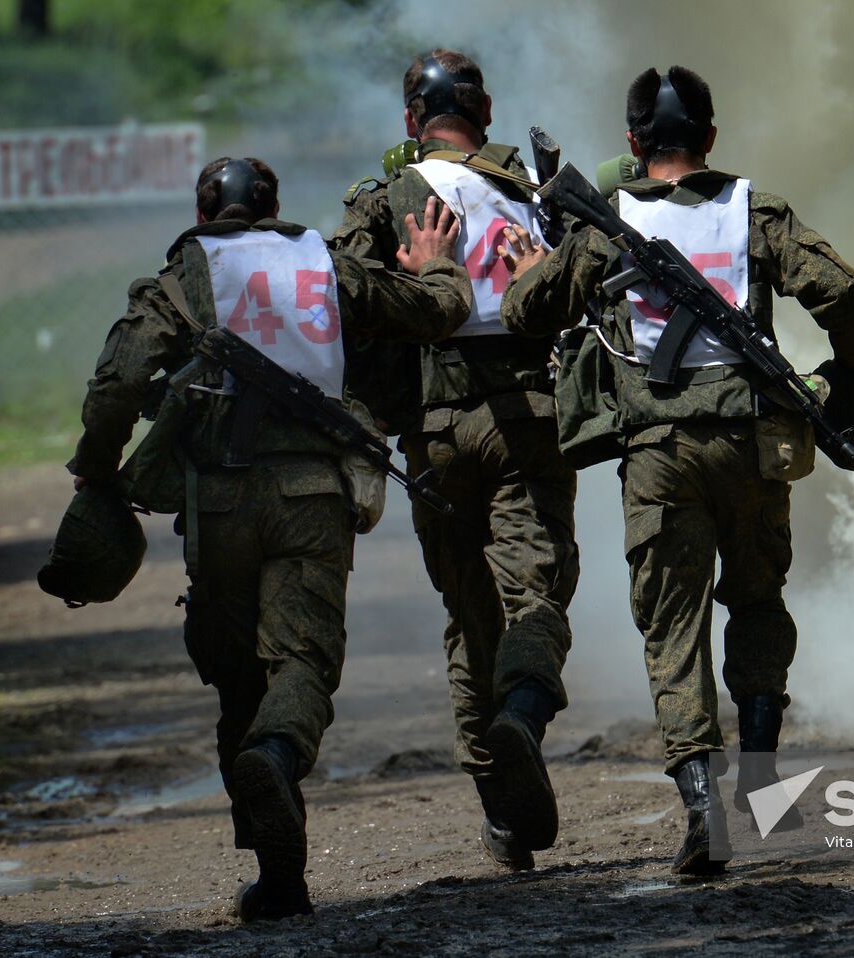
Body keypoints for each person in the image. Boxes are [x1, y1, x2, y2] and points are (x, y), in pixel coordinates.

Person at [499, 66, 854, 874]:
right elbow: (841, 289)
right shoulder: (755, 209)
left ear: (634, 143)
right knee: (756, 600)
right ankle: (758, 772)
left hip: (660, 457)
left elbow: (523, 314)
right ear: (710, 137)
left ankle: (703, 812)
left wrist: (539, 259)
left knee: (673, 630)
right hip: (751, 448)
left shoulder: (606, 224)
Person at [67, 156, 469, 920]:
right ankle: (276, 757)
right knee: (304, 662)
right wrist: (439, 268)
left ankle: (276, 868)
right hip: (312, 496)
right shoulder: (324, 262)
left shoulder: (183, 274)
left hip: (217, 503)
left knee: (235, 675)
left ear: (203, 210)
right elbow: (431, 311)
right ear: (276, 207)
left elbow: (118, 382)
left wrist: (94, 471)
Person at [330, 48, 579, 872]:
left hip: (434, 436)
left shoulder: (384, 200)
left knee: (470, 620)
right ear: (488, 114)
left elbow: (329, 292)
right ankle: (523, 716)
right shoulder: (537, 193)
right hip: (526, 424)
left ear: (411, 122)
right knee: (534, 593)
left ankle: (503, 819)